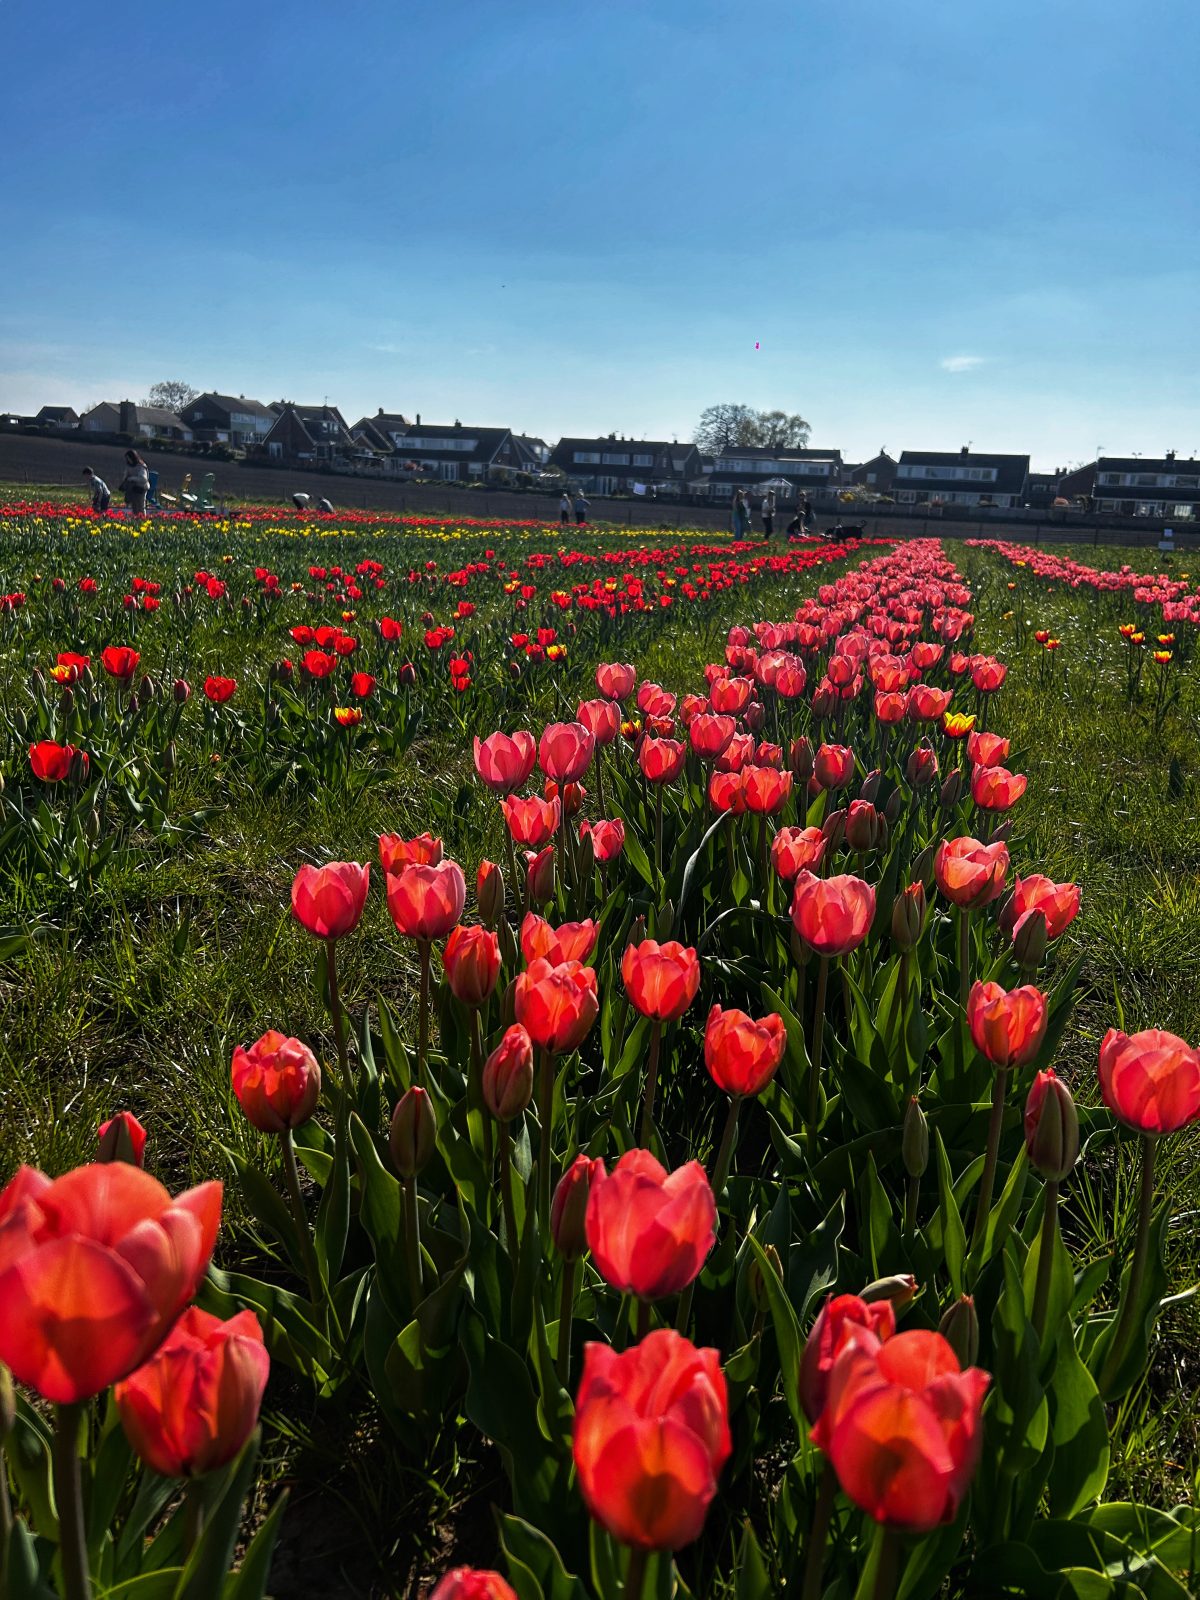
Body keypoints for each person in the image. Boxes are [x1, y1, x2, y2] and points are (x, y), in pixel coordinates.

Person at [119, 450, 150, 517]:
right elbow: (126, 475)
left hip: (141, 488)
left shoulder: (141, 466)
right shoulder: (128, 466)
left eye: (129, 458)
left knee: (140, 506)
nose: (128, 460)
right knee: (134, 506)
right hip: (132, 488)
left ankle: (142, 519)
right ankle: (136, 518)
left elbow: (143, 479)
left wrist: (132, 478)